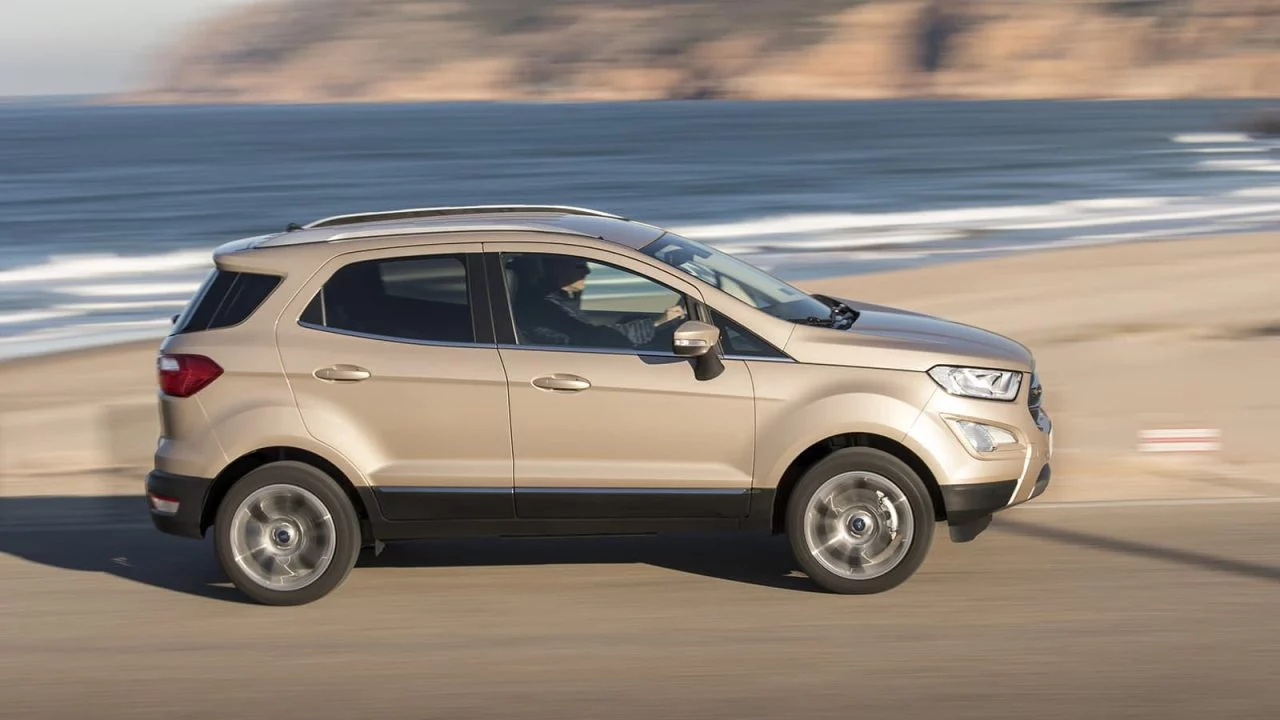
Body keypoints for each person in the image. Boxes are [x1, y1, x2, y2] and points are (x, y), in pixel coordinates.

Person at [512, 255, 686, 349]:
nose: (587, 271)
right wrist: (656, 324)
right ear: (555, 268)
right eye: (579, 265)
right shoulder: (540, 309)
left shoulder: (556, 300)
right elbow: (591, 339)